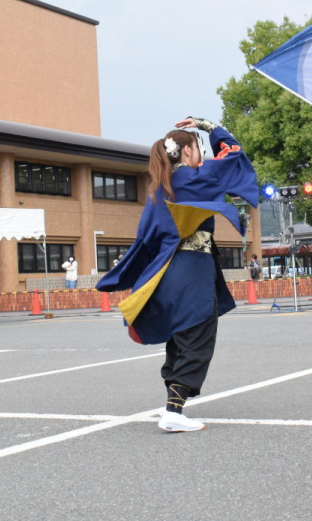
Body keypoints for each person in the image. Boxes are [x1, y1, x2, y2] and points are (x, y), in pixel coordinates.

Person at [96, 117, 258, 432]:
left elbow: (146, 236)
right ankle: (174, 410)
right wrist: (210, 127)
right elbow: (235, 154)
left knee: (181, 333)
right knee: (198, 333)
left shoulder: (160, 189)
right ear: (186, 151)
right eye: (198, 146)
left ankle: (173, 401)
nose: (202, 152)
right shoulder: (198, 177)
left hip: (168, 270)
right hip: (193, 268)